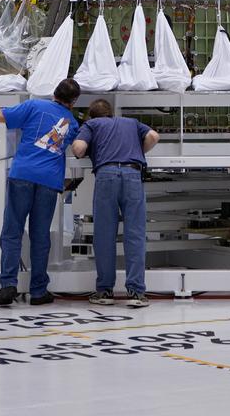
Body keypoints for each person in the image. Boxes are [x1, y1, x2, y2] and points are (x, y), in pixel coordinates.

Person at [0, 78, 81, 307]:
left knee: (12, 231)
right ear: (73, 102)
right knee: (40, 236)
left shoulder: (33, 106)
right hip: (49, 180)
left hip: (22, 175)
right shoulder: (72, 122)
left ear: (54, 92)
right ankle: (38, 291)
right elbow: (77, 147)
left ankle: (7, 286)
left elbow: (1, 116)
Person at [71, 98, 159, 308]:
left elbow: (79, 149)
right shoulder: (131, 123)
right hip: (132, 174)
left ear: (93, 115)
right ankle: (137, 292)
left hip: (107, 176)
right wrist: (137, 153)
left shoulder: (91, 125)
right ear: (110, 113)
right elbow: (154, 136)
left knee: (104, 235)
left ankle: (105, 291)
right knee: (135, 234)